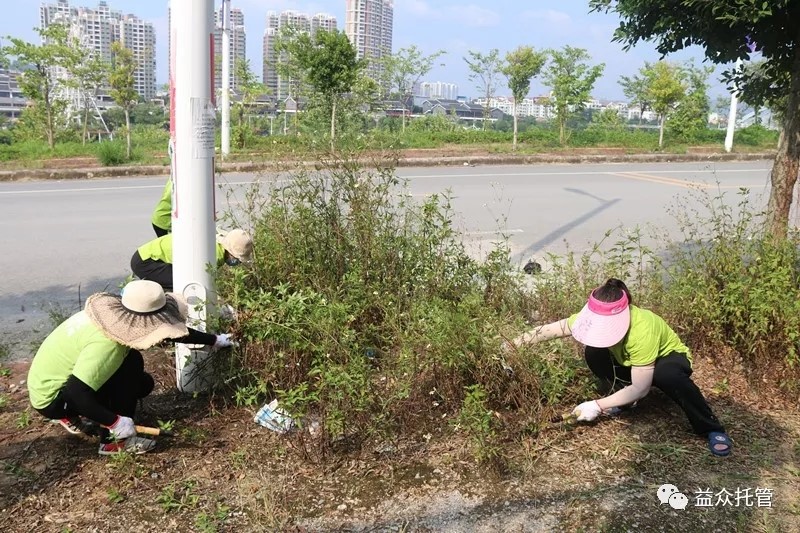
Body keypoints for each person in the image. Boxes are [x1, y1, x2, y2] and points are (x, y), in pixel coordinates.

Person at [509, 278, 732, 457]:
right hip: (631, 363)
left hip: (667, 359)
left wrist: (597, 405)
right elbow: (551, 330)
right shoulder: (590, 316)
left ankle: (710, 427)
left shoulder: (643, 328)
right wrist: (512, 344)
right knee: (594, 352)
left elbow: (641, 387)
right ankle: (624, 401)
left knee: (667, 375)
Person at [27, 280, 235, 456]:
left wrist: (214, 340)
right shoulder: (108, 345)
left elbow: (171, 331)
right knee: (129, 367)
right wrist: (114, 422)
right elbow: (75, 393)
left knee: (140, 379)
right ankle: (113, 443)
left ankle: (85, 414)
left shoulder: (112, 316)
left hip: (45, 383)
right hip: (54, 399)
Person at [130, 228, 253, 292]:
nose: (237, 262)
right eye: (237, 259)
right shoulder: (212, 255)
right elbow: (202, 284)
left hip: (147, 256)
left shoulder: (216, 244)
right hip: (147, 262)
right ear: (230, 252)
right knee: (183, 286)